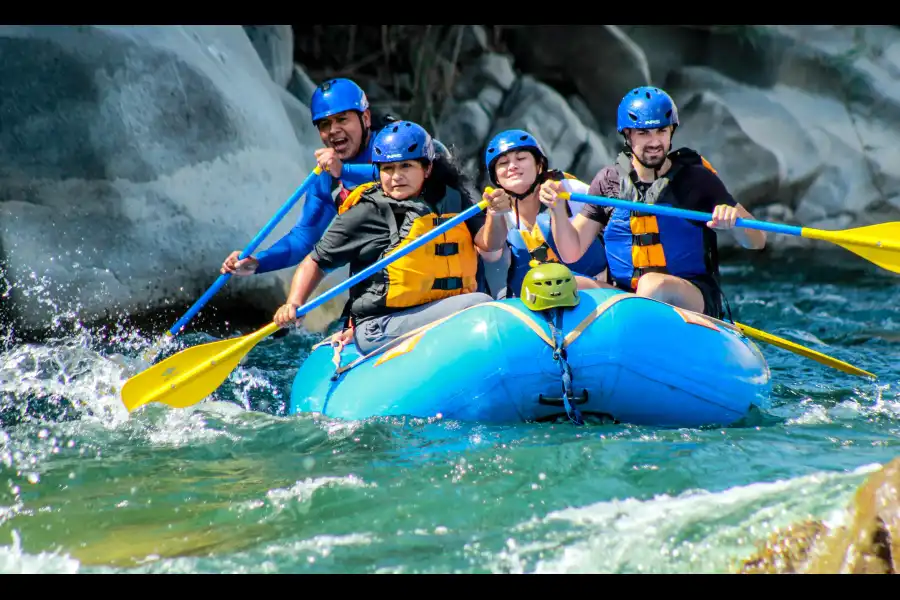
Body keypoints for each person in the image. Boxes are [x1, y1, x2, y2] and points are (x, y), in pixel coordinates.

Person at [272, 121, 511, 354]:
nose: (396, 176)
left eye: (406, 166)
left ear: (426, 169)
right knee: (477, 304)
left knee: (480, 302)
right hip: (381, 324)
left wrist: (496, 214)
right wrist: (294, 302)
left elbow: (490, 244)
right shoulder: (368, 211)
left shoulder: (454, 200)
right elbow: (316, 261)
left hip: (435, 311)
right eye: (388, 168)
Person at [544, 86, 767, 319]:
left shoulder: (697, 179)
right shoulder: (608, 181)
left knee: (653, 284)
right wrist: (557, 209)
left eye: (661, 131)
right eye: (644, 133)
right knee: (568, 283)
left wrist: (735, 222)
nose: (654, 141)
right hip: (627, 295)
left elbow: (757, 240)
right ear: (628, 136)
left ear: (671, 132)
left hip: (690, 297)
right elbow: (572, 252)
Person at [479, 129, 612, 299]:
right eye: (503, 163)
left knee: (546, 225)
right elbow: (490, 257)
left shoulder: (571, 190)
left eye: (521, 158)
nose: (512, 166)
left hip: (593, 293)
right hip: (535, 306)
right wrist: (494, 215)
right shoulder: (495, 212)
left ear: (539, 165)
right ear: (496, 178)